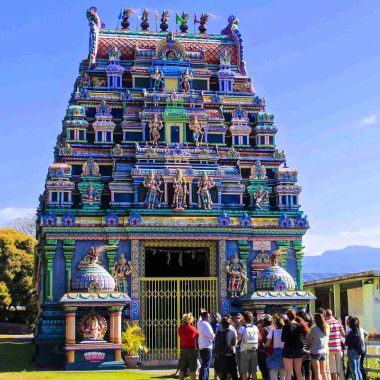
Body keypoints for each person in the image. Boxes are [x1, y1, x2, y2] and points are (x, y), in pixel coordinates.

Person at [281, 309, 304, 380]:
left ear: (287, 316)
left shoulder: (286, 326)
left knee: (288, 373)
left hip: (288, 349)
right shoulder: (299, 325)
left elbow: (283, 339)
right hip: (298, 349)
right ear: (295, 316)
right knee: (299, 372)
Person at [325, 309, 345, 380]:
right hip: (338, 347)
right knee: (340, 368)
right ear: (331, 314)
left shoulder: (325, 323)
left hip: (330, 348)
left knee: (333, 369)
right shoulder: (338, 322)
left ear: (325, 315)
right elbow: (343, 334)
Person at [178, 313, 199, 380]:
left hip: (183, 350)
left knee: (182, 369)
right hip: (192, 350)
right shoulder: (193, 328)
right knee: (193, 370)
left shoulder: (180, 329)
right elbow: (197, 335)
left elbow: (180, 336)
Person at [239, 311, 260, 380]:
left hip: (244, 350)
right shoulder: (255, 327)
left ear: (244, 319)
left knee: (244, 372)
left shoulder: (242, 327)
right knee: (254, 372)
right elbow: (260, 337)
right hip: (254, 350)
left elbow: (238, 339)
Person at [308, 313, 328, 380]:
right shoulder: (326, 328)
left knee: (317, 372)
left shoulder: (314, 329)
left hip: (315, 351)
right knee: (324, 372)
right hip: (323, 351)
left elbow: (309, 339)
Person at [266, 314, 285, 380]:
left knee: (273, 371)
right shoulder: (285, 331)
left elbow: (268, 344)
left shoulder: (272, 332)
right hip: (284, 353)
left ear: (276, 324)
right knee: (283, 372)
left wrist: (265, 345)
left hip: (273, 353)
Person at [197, 310, 215, 380]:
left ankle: (205, 378)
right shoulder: (206, 324)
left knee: (205, 364)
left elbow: (199, 319)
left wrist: (202, 313)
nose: (209, 318)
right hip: (207, 346)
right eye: (209, 317)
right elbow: (211, 336)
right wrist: (218, 336)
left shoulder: (200, 323)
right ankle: (203, 378)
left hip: (202, 345)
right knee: (205, 365)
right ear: (206, 317)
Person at [295, 315, 311, 380]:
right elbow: (310, 342)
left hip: (300, 354)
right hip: (307, 353)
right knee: (307, 372)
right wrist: (308, 351)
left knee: (301, 372)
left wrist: (304, 350)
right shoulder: (307, 331)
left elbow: (297, 344)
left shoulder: (296, 332)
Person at [257, 314, 272, 380]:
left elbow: (259, 339)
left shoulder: (260, 327)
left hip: (263, 349)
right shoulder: (272, 327)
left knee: (263, 366)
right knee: (268, 367)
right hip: (269, 349)